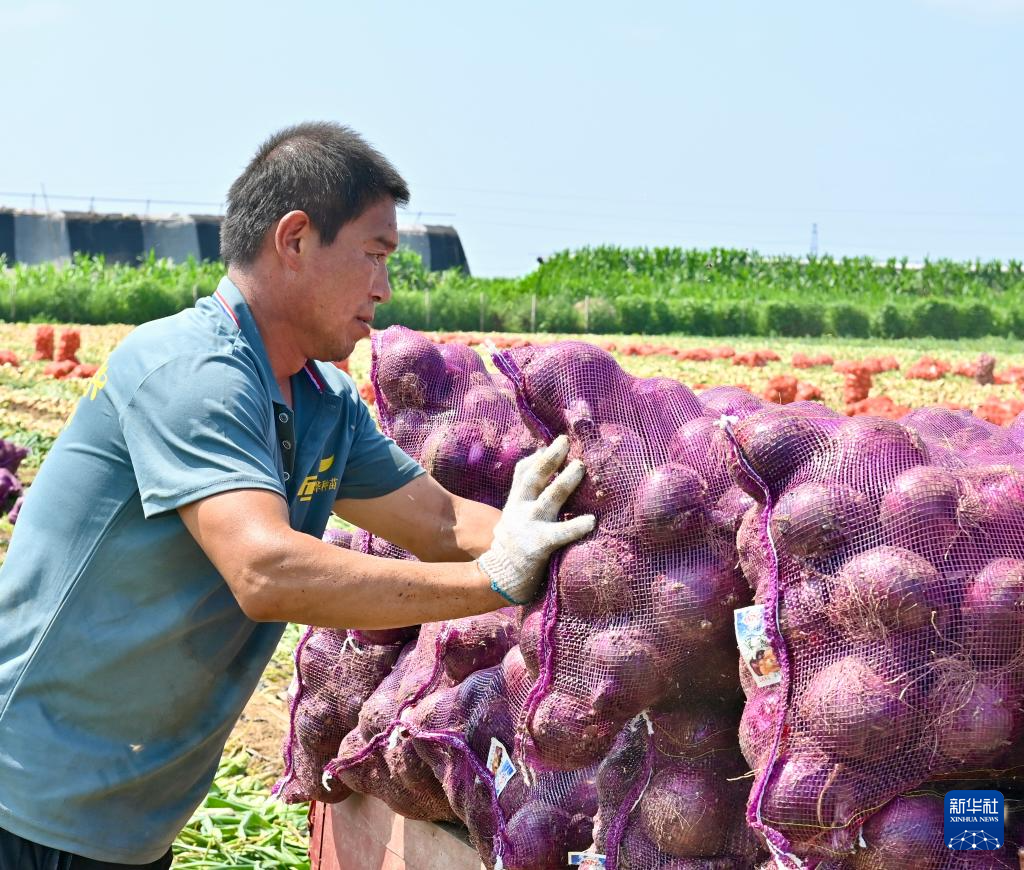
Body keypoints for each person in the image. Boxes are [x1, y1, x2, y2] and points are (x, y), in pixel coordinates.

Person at [0, 122, 594, 869]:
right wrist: (490, 583)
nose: (384, 287)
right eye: (374, 254)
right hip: (28, 801)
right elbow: (266, 571)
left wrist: (565, 529)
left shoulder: (322, 403)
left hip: (129, 819)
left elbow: (440, 520)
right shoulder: (191, 370)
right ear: (295, 240)